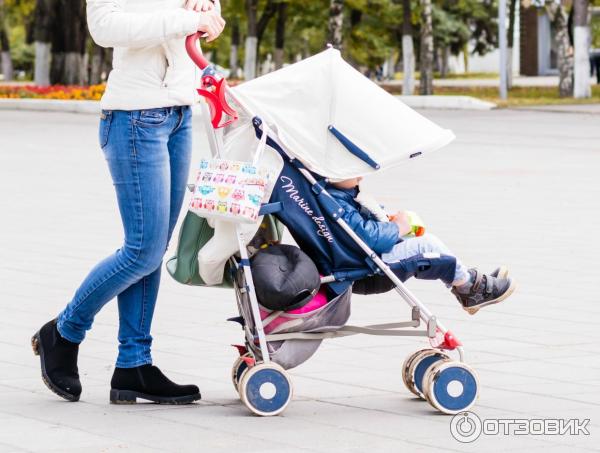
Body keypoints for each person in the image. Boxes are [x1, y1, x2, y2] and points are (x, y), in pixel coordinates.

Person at [31, 0, 225, 404]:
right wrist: (190, 18)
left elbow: (210, 20)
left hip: (179, 115)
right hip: (135, 118)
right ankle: (64, 331)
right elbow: (105, 27)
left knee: (152, 250)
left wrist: (209, 16)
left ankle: (133, 364)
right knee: (143, 250)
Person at [327, 177, 516, 314]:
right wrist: (398, 227)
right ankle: (470, 288)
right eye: (353, 173)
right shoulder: (334, 201)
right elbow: (369, 237)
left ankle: (468, 283)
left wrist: (385, 221)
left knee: (423, 244)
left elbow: (358, 230)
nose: (360, 176)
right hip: (367, 267)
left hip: (356, 257)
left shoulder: (329, 194)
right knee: (426, 246)